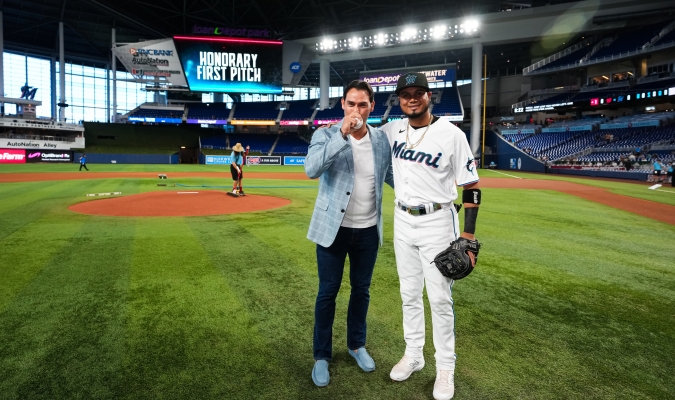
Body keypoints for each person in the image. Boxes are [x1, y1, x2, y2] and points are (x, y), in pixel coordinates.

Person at [380, 72, 481, 400]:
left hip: (438, 221)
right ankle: (414, 355)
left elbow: (472, 188)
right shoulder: (393, 129)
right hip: (401, 219)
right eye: (405, 94)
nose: (412, 98)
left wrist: (467, 236)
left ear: (429, 96)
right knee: (409, 293)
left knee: (439, 298)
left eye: (418, 92)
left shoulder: (451, 134)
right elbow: (362, 136)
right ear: (399, 99)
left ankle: (446, 369)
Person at [305, 80, 394, 387]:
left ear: (372, 107)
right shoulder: (325, 133)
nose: (357, 110)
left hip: (368, 230)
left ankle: (356, 345)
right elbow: (312, 169)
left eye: (363, 104)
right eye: (352, 103)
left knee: (362, 291)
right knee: (327, 293)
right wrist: (342, 134)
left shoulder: (381, 139)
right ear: (342, 104)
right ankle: (321, 356)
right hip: (333, 230)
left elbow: (394, 178)